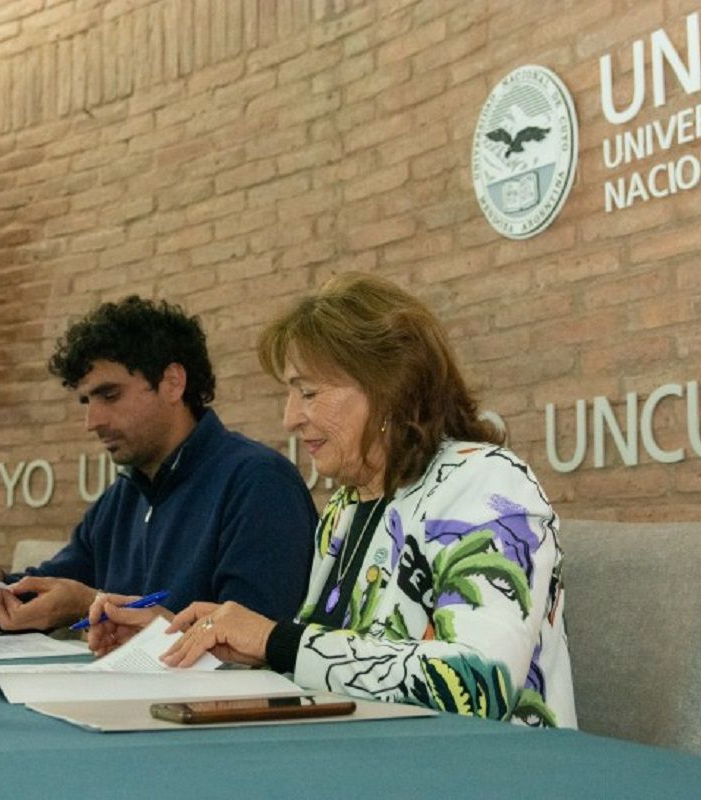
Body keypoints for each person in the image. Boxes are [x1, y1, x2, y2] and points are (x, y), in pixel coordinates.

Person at [87, 273, 576, 727]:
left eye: (309, 392)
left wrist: (275, 640)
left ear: (389, 388)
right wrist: (181, 640)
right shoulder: (346, 507)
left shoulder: (487, 483)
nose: (289, 418)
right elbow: (322, 663)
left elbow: (478, 683)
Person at [0, 295, 317, 632]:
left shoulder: (259, 482)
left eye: (109, 395)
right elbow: (58, 587)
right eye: (87, 402)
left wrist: (91, 604)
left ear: (173, 383)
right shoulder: (123, 497)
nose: (92, 422)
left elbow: (255, 641)